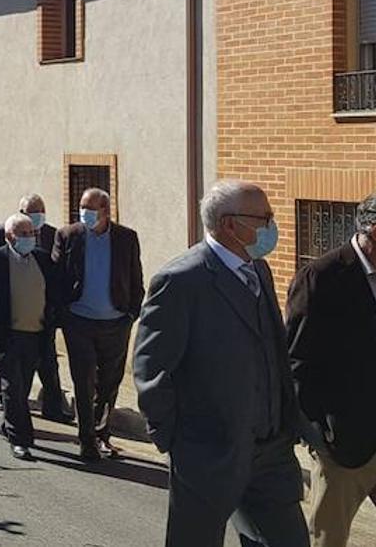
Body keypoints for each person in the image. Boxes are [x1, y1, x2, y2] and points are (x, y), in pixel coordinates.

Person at [134, 180, 306, 547]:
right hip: (209, 452)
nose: (271, 226)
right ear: (230, 224)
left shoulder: (258, 270)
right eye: (264, 217)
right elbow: (152, 368)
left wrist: (289, 422)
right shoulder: (181, 280)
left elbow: (273, 350)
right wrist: (176, 441)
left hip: (272, 450)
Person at [286, 192, 376, 547]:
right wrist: (319, 434)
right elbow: (297, 361)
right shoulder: (321, 277)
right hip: (343, 444)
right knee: (329, 537)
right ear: (372, 230)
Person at [54, 187, 143, 461]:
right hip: (79, 320)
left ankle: (102, 434)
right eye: (82, 207)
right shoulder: (69, 235)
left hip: (116, 322)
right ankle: (86, 439)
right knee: (83, 380)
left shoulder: (126, 238)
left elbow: (135, 277)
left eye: (90, 209)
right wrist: (63, 314)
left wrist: (131, 313)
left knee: (109, 382)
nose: (84, 213)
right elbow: (56, 277)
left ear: (105, 211)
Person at [0, 214, 65, 461]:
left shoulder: (43, 259)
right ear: (9, 237)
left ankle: (7, 425)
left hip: (37, 335)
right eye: (23, 234)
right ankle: (20, 439)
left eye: (31, 233)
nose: (29, 238)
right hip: (8, 337)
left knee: (22, 387)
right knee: (12, 387)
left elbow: (53, 293)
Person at [0, 194, 70, 422]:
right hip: (10, 316)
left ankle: (53, 406)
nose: (37, 216)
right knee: (7, 362)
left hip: (42, 314)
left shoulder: (53, 234)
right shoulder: (2, 231)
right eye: (32, 212)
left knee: (49, 362)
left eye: (41, 210)